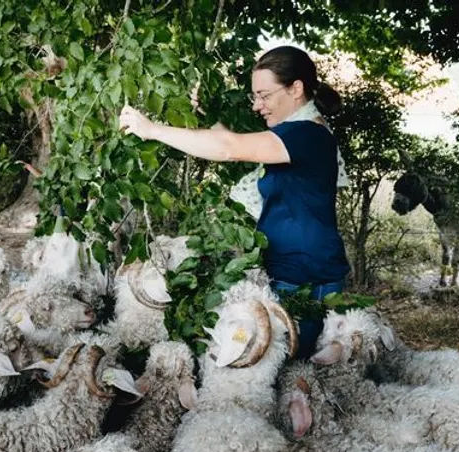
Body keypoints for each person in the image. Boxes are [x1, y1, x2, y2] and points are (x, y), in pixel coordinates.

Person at [119, 45, 351, 357]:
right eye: (254, 97)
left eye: (264, 96)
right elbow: (236, 147)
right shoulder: (294, 134)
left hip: (307, 278)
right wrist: (210, 117)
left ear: (296, 89)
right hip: (287, 272)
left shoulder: (308, 134)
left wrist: (152, 130)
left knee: (289, 370)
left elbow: (230, 148)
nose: (257, 106)